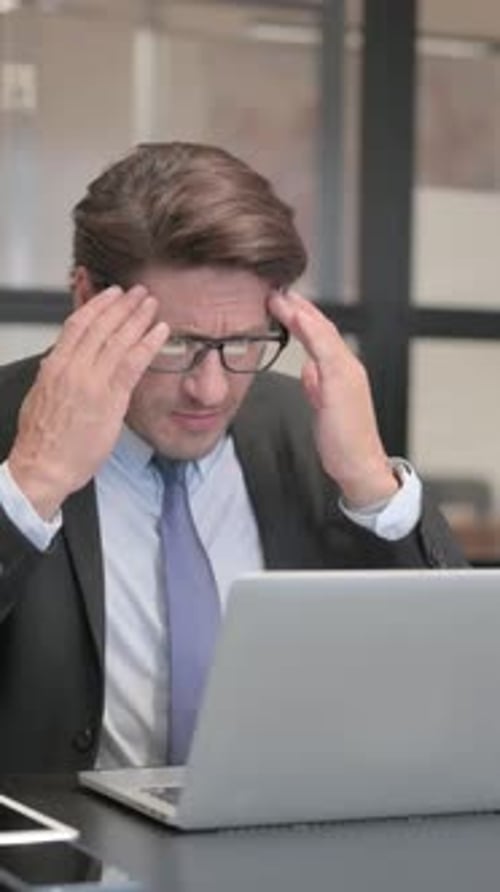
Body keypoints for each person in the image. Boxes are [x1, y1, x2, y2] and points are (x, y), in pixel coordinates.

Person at [0, 142, 465, 773]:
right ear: (87, 300)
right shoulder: (12, 434)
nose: (211, 389)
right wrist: (33, 483)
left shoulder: (307, 425)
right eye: (176, 343)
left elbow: (458, 675)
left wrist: (372, 484)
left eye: (244, 341)